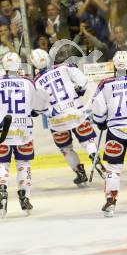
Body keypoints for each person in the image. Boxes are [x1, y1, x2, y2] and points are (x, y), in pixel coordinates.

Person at [30, 48, 105, 186]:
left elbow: (37, 109)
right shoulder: (65, 68)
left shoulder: (35, 82)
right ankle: (96, 159)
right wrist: (79, 92)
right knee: (88, 141)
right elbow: (84, 84)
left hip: (57, 121)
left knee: (66, 148)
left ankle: (79, 172)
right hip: (75, 113)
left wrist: (35, 111)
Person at [92, 51, 127, 217]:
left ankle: (111, 200)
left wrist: (101, 121)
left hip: (116, 132)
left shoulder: (105, 84)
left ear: (115, 66)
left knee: (113, 168)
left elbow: (98, 106)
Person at [0, 52, 49, 218]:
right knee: (23, 163)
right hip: (23, 131)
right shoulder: (28, 82)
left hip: (2, 131)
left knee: (2, 164)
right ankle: (24, 196)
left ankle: (2, 190)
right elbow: (38, 108)